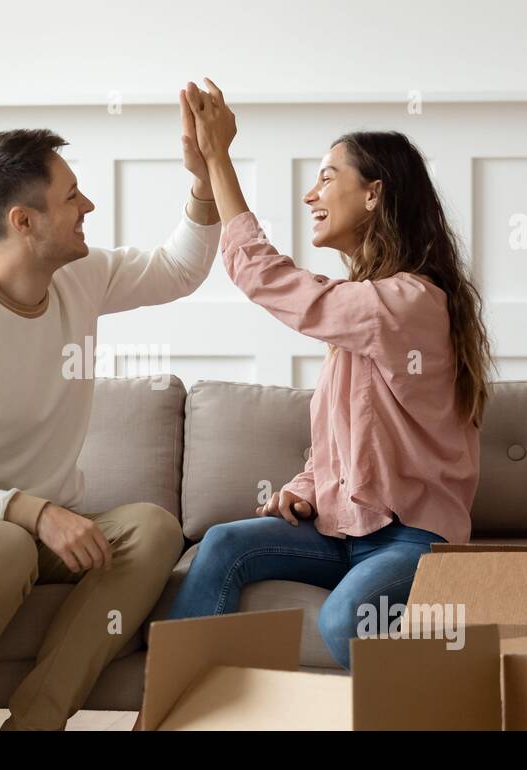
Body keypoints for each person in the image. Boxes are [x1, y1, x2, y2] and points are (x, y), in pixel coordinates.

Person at [0, 114, 221, 730]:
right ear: (24, 221)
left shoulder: (79, 274)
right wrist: (33, 511)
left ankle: (36, 722)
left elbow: (180, 269)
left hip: (41, 531)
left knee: (151, 528)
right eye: (71, 197)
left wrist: (204, 182)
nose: (87, 205)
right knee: (4, 545)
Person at [166, 79, 492, 671]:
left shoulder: (408, 302)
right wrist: (306, 489)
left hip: (413, 540)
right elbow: (348, 439)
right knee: (223, 544)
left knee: (347, 619)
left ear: (374, 194)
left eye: (326, 176)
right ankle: (170, 709)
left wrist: (219, 160)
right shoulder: (367, 312)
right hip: (343, 531)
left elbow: (267, 277)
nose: (310, 193)